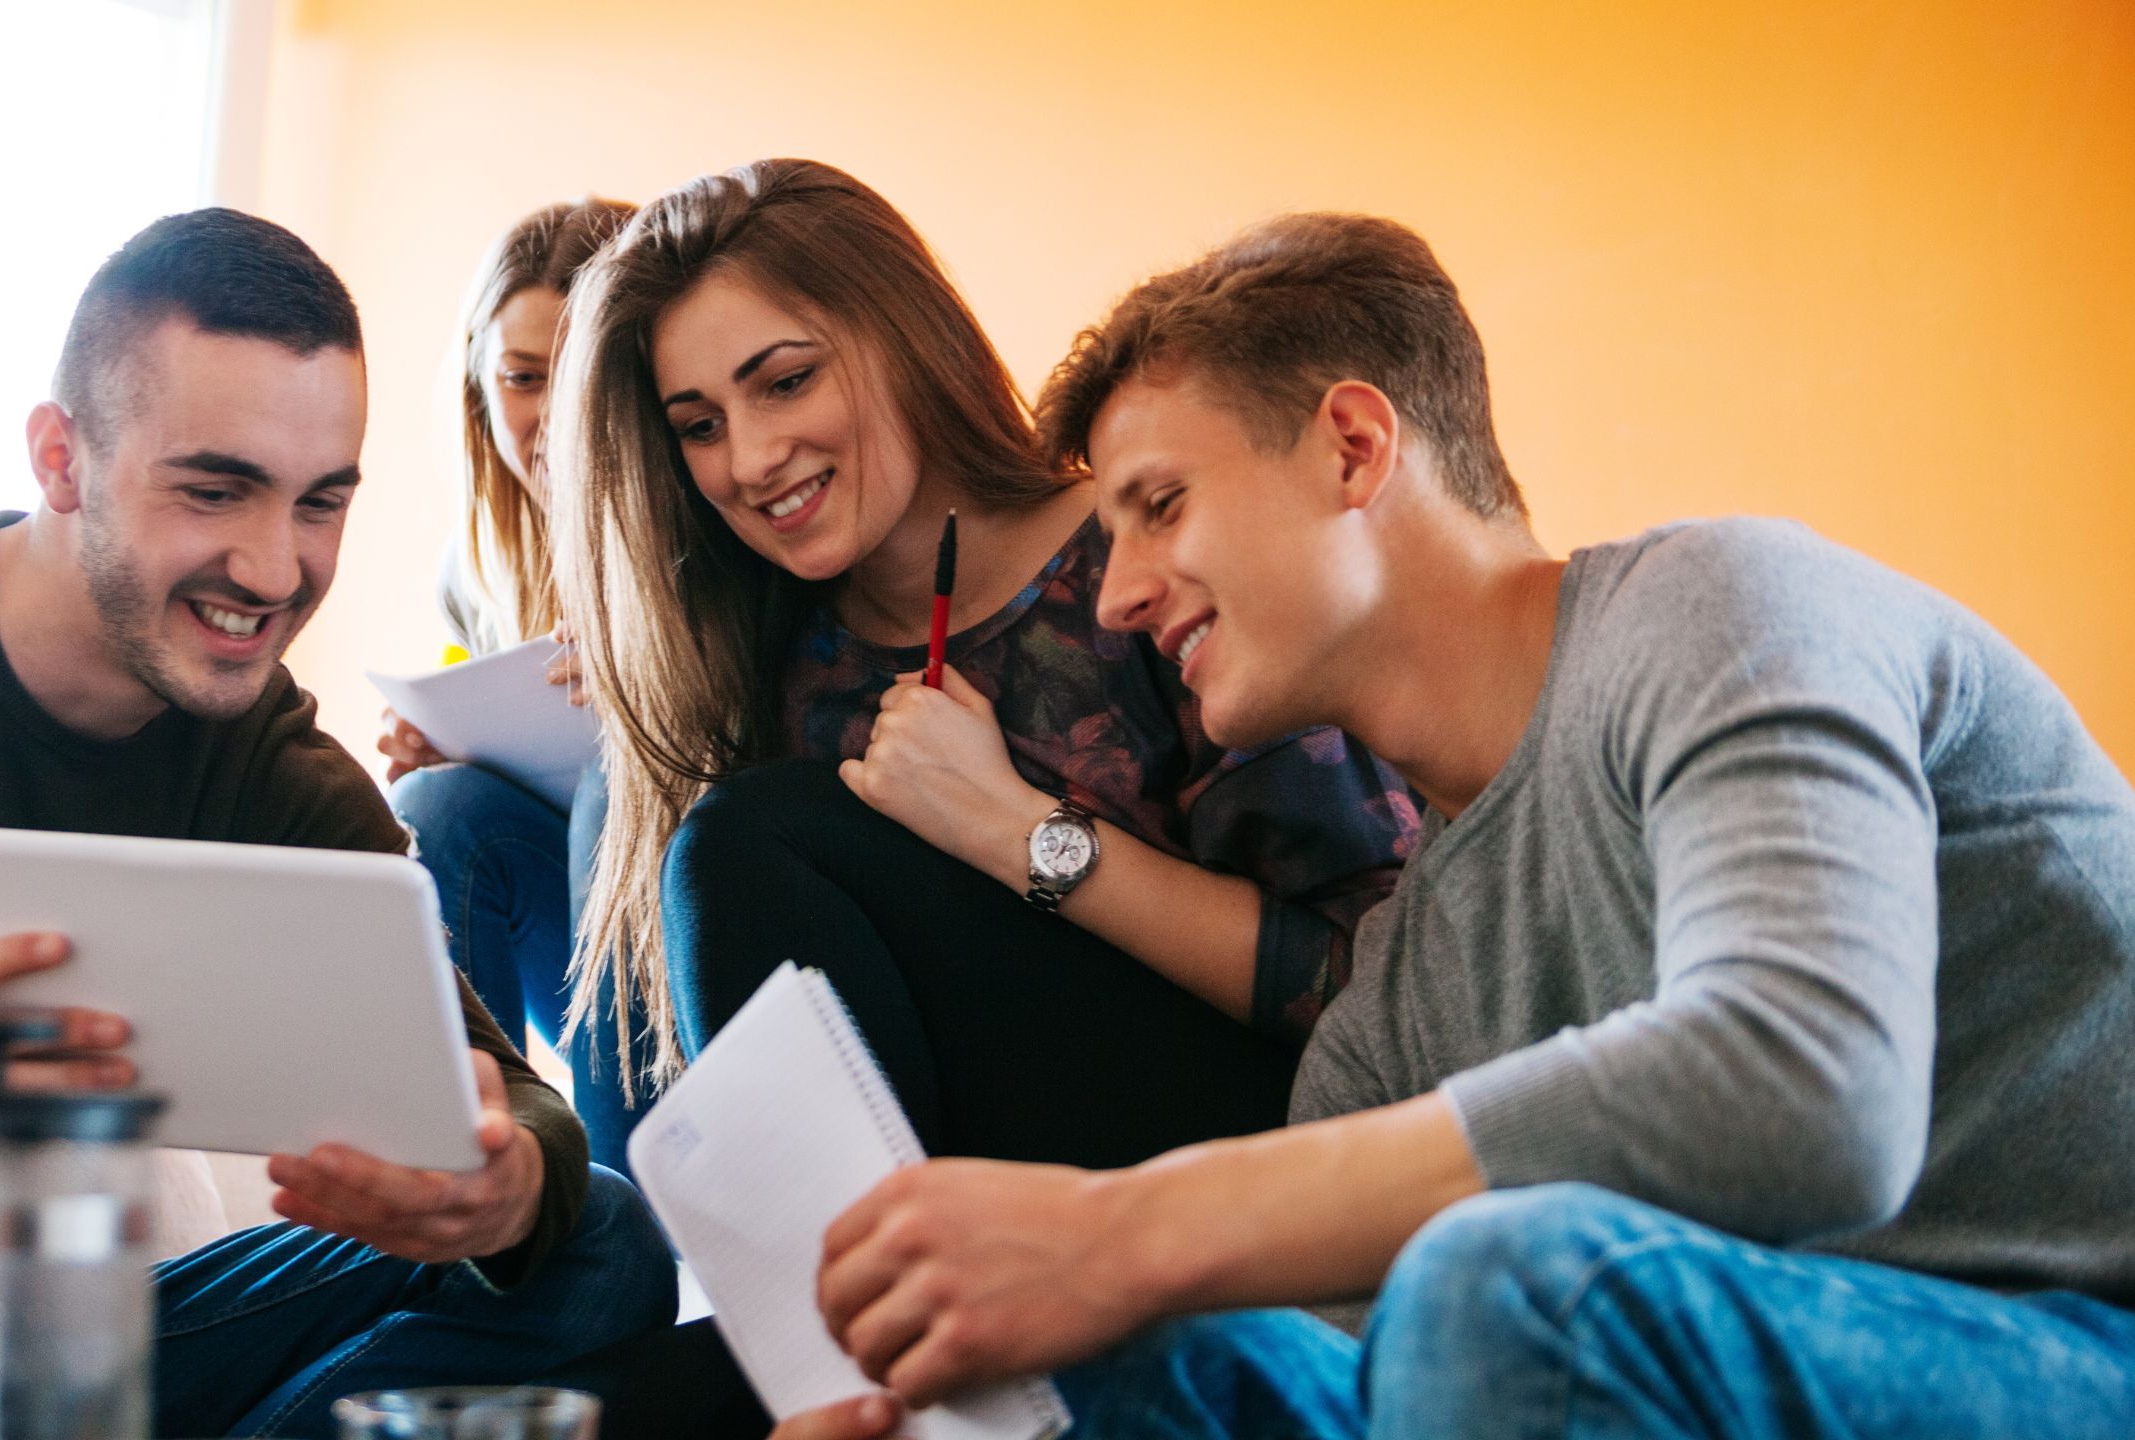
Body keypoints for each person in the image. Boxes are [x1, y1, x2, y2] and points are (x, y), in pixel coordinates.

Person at [769, 212, 2135, 1438]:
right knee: (1129, 1365)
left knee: (1499, 1287)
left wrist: (1122, 1226)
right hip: (1715, 1371)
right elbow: (1322, 1392)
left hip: (2079, 1337)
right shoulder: (1398, 995)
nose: (1117, 593)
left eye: (1160, 506)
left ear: (1354, 448)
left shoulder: (1722, 610)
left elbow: (1811, 1091)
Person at [0, 208, 673, 1433]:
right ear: (60, 458)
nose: (272, 571)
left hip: (102, 1329)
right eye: (216, 489)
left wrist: (506, 1185)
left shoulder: (263, 755)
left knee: (598, 1236)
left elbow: (504, 1097)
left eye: (321, 503)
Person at [548, 159, 1417, 1172]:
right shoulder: (762, 664)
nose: (749, 459)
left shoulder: (1149, 562)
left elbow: (1374, 987)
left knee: (740, 836)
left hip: (1253, 1161)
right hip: (957, 1204)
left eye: (786, 382)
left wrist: (1022, 835)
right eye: (700, 427)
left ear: (904, 339)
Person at [375, 198, 650, 1175]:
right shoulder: (479, 570)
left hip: (707, 963)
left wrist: (651, 690)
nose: (554, 415)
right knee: (433, 804)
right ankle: (479, 1176)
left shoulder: (718, 524)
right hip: (578, 954)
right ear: (479, 391)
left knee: (622, 788)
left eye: (584, 377)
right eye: (525, 378)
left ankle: (629, 1216)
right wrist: (450, 748)